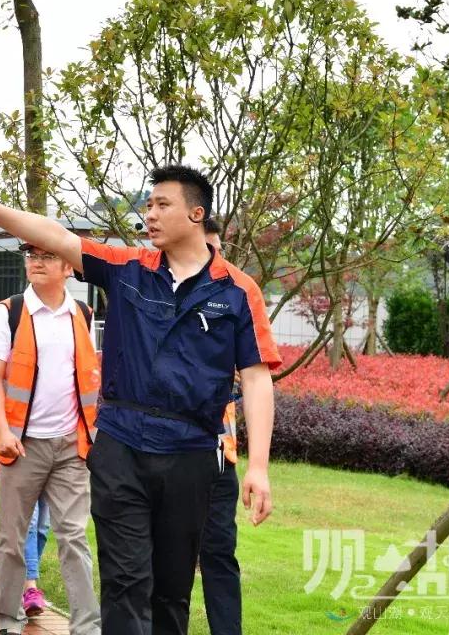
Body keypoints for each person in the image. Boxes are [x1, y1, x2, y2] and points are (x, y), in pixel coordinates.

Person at [0, 166, 280, 635]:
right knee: (124, 581)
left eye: (162, 205)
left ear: (197, 214)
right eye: (148, 205)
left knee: (171, 590)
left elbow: (257, 379)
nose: (149, 215)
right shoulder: (127, 268)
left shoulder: (238, 291)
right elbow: (54, 235)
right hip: (121, 448)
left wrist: (257, 465)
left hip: (191, 454)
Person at [0, 242, 101, 635]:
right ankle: (7, 621)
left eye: (47, 256)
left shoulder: (81, 313)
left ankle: (87, 626)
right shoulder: (8, 313)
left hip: (71, 446)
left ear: (68, 266)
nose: (36, 263)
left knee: (74, 537)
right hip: (21, 445)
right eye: (31, 256)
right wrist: (1, 432)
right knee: (12, 538)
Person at [198, 217, 243, 635]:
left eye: (216, 249)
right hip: (165, 455)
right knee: (162, 559)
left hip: (219, 457)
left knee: (219, 553)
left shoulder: (232, 302)